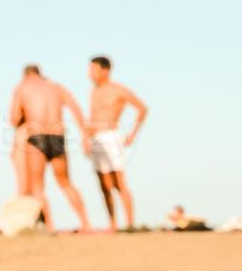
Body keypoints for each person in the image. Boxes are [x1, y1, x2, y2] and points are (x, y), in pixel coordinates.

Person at [8, 65, 94, 233]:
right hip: (57, 137)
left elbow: (13, 119)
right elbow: (75, 108)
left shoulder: (22, 88)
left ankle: (50, 226)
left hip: (37, 137)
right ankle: (86, 224)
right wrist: (85, 135)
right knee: (66, 183)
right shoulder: (56, 87)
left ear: (25, 76)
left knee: (38, 187)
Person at [87, 55, 149, 230]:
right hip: (96, 139)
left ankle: (129, 223)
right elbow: (91, 116)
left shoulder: (118, 90)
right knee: (104, 184)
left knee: (119, 182)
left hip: (112, 136)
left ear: (105, 70)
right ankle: (113, 224)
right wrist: (86, 138)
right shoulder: (94, 92)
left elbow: (142, 108)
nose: (89, 74)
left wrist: (132, 134)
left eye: (93, 69)